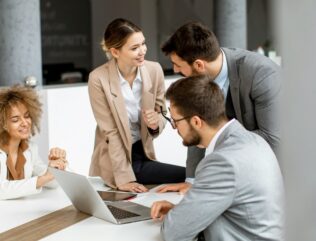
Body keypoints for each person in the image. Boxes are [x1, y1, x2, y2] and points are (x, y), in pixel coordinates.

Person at [151, 75, 284, 241]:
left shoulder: (223, 162)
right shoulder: (252, 140)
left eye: (175, 121)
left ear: (196, 122)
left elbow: (174, 233)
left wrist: (179, 218)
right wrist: (182, 212)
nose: (174, 128)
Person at [158, 21, 281, 194]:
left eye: (178, 65)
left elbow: (273, 139)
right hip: (232, 175)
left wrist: (214, 137)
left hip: (274, 176)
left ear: (199, 65)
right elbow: (196, 128)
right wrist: (192, 181)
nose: (176, 70)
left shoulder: (261, 75)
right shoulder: (198, 78)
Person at [88, 18, 185, 193]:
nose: (142, 51)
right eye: (134, 48)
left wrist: (156, 124)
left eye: (143, 44)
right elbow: (111, 132)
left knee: (189, 175)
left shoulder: (154, 70)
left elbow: (162, 113)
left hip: (143, 152)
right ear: (115, 52)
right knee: (187, 176)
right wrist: (124, 178)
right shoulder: (98, 79)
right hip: (115, 158)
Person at [0, 85, 67, 200]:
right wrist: (42, 179)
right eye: (15, 120)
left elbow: (53, 184)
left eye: (27, 116)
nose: (25, 123)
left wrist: (55, 168)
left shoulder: (30, 148)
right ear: (2, 124)